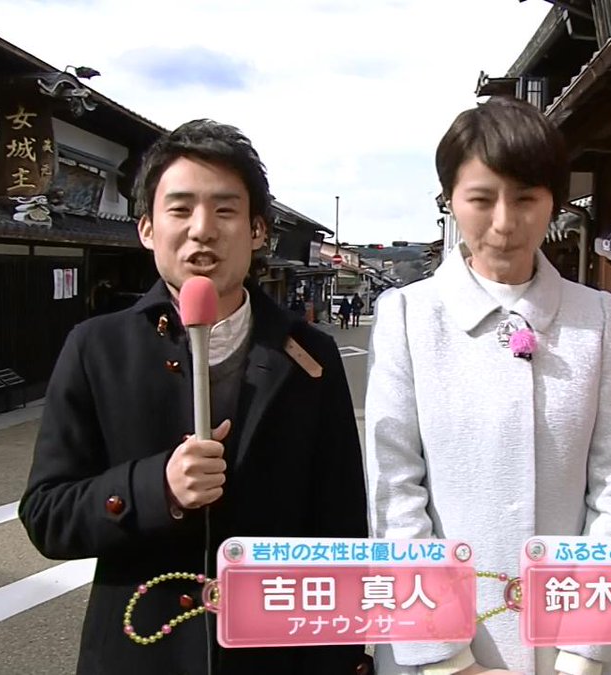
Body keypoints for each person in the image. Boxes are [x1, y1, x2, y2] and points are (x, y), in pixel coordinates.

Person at [19, 119, 370, 675]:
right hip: (140, 653)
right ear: (146, 228)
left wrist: (343, 658)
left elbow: (342, 528)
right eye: (180, 209)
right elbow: (47, 515)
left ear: (258, 231)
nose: (202, 230)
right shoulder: (96, 348)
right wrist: (158, 487)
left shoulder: (310, 355)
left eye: (225, 210)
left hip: (278, 654)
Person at [364, 97, 611, 675]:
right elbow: (394, 493)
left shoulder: (596, 318)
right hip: (442, 644)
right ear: (449, 200)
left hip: (569, 646)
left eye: (525, 198)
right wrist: (449, 662)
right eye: (481, 198)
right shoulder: (408, 316)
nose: (504, 222)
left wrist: (581, 653)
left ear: (554, 202)